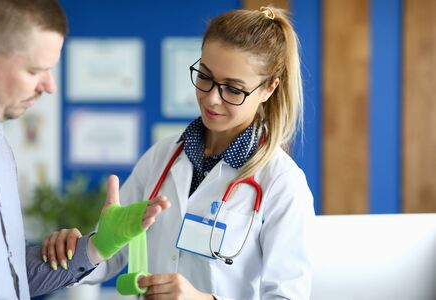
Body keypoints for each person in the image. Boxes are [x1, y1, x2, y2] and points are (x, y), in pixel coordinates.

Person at [45, 6, 315, 299]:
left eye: (233, 90)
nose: (212, 99)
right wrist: (79, 250)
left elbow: (288, 295)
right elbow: (109, 258)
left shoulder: (282, 183)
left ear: (269, 89)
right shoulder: (162, 157)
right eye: (205, 77)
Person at [0, 0, 169, 299]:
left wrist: (95, 248)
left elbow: (7, 279)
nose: (49, 86)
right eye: (35, 70)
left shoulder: (0, 150)